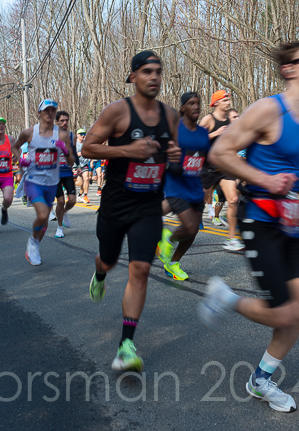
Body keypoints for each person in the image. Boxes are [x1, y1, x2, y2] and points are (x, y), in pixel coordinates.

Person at [198, 41, 299, 413]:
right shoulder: (269, 110)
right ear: (289, 70)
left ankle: (260, 380)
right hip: (259, 220)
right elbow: (219, 153)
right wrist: (265, 181)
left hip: (290, 223)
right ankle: (225, 298)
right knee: (286, 313)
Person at [82, 50, 181, 372]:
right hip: (115, 204)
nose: (154, 77)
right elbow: (87, 148)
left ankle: (126, 345)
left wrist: (176, 158)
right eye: (147, 71)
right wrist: (128, 150)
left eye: (158, 71)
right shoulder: (117, 112)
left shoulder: (170, 116)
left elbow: (172, 157)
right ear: (133, 76)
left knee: (140, 270)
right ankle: (99, 273)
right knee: (108, 261)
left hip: (148, 206)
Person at [11, 99, 74, 265]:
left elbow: (72, 162)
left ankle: (35, 244)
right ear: (39, 113)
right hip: (33, 181)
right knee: (43, 214)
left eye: (53, 110)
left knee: (44, 221)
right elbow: (14, 147)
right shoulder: (29, 133)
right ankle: (32, 241)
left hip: (52, 183)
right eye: (46, 111)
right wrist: (20, 161)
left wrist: (65, 150)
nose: (50, 113)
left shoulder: (62, 134)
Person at [157, 92, 211, 280]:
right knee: (189, 226)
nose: (196, 107)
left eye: (198, 103)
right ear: (182, 108)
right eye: (191, 103)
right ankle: (167, 241)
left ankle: (173, 263)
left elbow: (207, 158)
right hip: (175, 185)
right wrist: (170, 164)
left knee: (194, 230)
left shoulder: (204, 133)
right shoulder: (174, 129)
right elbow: (160, 151)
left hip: (195, 185)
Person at [199, 90, 244, 251]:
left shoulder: (230, 122)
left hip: (225, 168)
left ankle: (231, 239)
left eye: (228, 99)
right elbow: (194, 139)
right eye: (225, 99)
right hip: (207, 168)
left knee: (233, 200)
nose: (228, 102)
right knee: (198, 201)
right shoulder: (208, 119)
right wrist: (215, 134)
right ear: (216, 102)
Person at [51, 111, 77, 237]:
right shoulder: (50, 135)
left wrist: (77, 166)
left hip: (67, 171)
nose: (65, 122)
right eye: (62, 120)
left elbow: (74, 154)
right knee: (60, 201)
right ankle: (59, 227)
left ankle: (64, 212)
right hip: (54, 173)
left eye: (66, 120)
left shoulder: (72, 136)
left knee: (72, 200)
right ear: (56, 122)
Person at [74, 129, 90, 203]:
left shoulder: (86, 143)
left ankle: (85, 196)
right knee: (80, 183)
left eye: (84, 133)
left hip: (85, 164)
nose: (83, 135)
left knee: (86, 179)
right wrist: (78, 154)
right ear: (77, 135)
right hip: (76, 165)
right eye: (81, 134)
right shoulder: (74, 144)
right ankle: (70, 182)